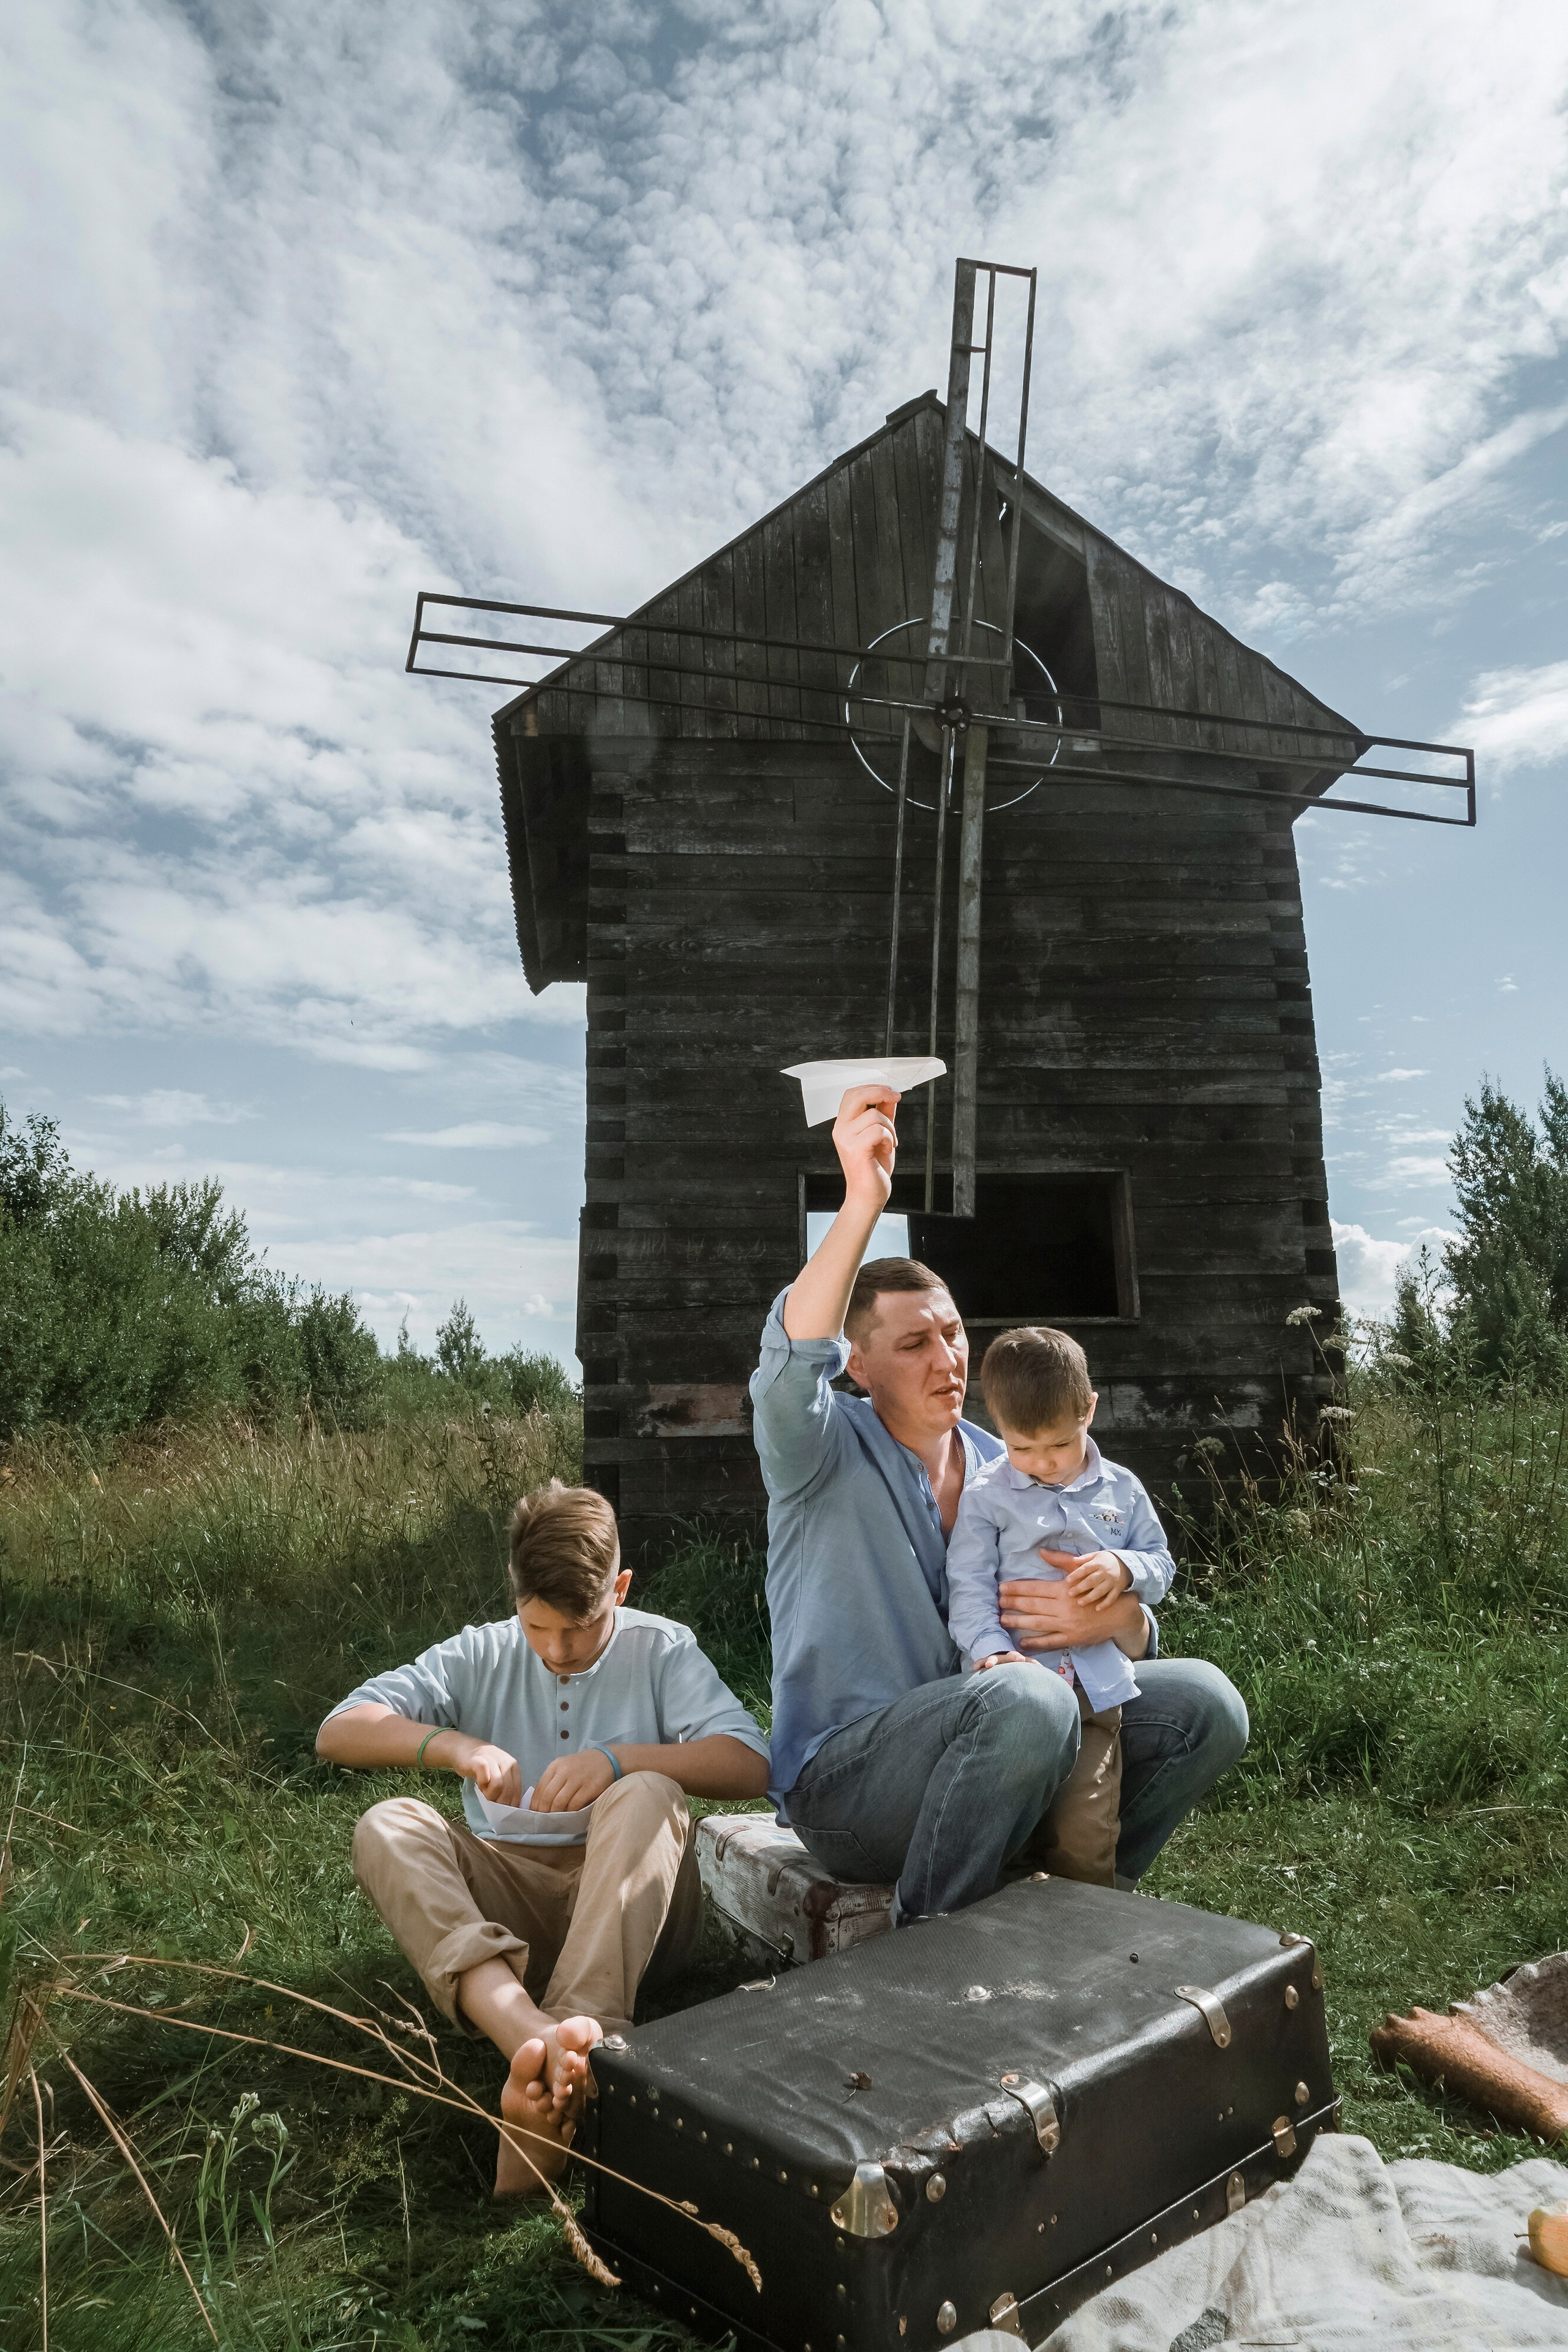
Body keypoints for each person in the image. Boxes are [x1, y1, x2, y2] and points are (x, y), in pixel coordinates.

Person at [750, 1080, 1247, 1926]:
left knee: (1207, 1704)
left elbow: (1129, 1617)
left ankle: (1072, 1914)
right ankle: (932, 1945)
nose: (946, 1357)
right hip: (852, 1789)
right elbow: (793, 1358)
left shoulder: (1006, 1463)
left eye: (951, 1332)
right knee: (1030, 1700)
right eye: (913, 1343)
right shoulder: (820, 1450)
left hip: (1009, 1741)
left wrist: (1116, 1620)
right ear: (858, 1367)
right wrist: (865, 1196)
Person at [315, 1480, 770, 2195]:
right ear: (514, 1594)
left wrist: (618, 1760)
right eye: (537, 1627)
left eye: (580, 1627)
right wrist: (453, 1748)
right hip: (511, 1899)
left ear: (619, 1588)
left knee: (649, 1791)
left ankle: (576, 2038)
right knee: (388, 1824)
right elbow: (339, 1731)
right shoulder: (480, 1653)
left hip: (634, 1908)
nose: (557, 1649)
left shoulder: (662, 1648)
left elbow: (750, 1763)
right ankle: (531, 2038)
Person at [945, 1323, 1178, 1887]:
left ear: (1089, 1410)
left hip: (1095, 1692)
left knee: (1086, 1831)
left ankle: (1084, 1936)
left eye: (1058, 1444)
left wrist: (1125, 1568)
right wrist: (992, 1652)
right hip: (1013, 1696)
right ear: (997, 1426)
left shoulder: (1122, 1489)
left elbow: (1161, 1562)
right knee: (1007, 1824)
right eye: (1022, 1447)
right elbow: (968, 1587)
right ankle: (997, 1926)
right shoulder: (986, 1495)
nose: (1043, 1462)